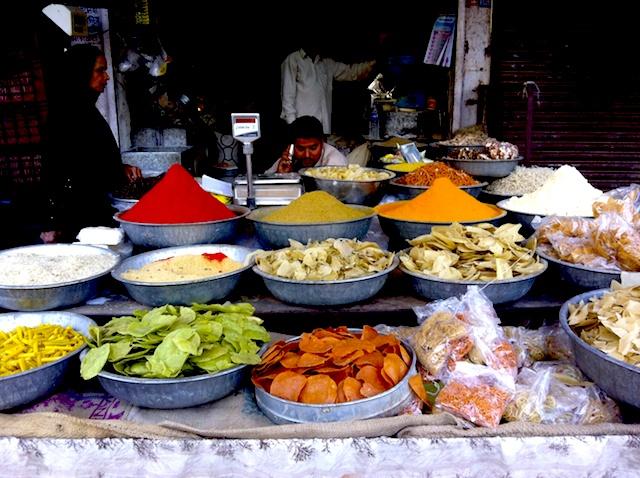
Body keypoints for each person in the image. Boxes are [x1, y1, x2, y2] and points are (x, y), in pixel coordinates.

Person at [40, 44, 141, 243]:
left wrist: (120, 168)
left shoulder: (86, 110)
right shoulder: (66, 115)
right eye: (100, 70)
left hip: (93, 211)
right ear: (81, 72)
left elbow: (93, 157)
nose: (107, 77)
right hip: (78, 218)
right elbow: (66, 169)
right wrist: (54, 223)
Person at [280, 41, 376, 135]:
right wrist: (293, 126)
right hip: (302, 129)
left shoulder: (326, 63)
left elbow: (350, 72)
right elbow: (287, 97)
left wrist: (373, 64)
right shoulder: (293, 60)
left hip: (323, 129)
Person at [266, 115, 348, 174]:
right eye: (301, 149)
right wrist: (280, 175)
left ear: (323, 143)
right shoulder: (288, 158)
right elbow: (265, 183)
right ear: (292, 146)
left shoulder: (334, 163)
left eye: (313, 148)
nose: (307, 155)